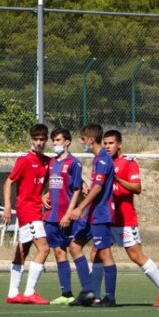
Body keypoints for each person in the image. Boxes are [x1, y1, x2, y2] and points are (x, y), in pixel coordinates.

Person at [96, 130, 159, 307]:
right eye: (105, 143)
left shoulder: (128, 163)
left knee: (136, 256)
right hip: (107, 218)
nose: (108, 146)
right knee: (97, 253)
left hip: (125, 220)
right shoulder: (104, 163)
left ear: (119, 144)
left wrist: (116, 179)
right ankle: (95, 295)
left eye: (111, 143)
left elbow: (137, 188)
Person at [66, 123, 115, 307]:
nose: (82, 143)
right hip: (91, 213)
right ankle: (88, 291)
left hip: (100, 214)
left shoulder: (103, 159)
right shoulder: (97, 160)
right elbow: (94, 187)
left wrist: (79, 208)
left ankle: (110, 297)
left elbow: (99, 188)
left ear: (91, 140)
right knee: (74, 246)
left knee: (104, 253)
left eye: (83, 140)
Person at [2, 123, 51, 305]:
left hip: (36, 209)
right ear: (31, 139)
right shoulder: (24, 161)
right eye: (36, 139)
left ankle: (13, 293)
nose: (39, 143)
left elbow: (49, 184)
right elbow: (8, 183)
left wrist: (45, 195)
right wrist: (7, 207)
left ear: (46, 140)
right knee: (44, 249)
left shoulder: (46, 161)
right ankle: (30, 292)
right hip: (27, 210)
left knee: (23, 251)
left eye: (42, 139)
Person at [43, 128, 83, 305]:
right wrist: (44, 195)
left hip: (67, 217)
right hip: (51, 216)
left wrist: (69, 213)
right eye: (53, 141)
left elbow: (77, 189)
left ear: (67, 142)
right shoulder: (51, 163)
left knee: (75, 251)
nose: (55, 144)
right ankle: (66, 293)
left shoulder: (74, 163)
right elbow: (49, 185)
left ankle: (88, 291)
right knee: (59, 252)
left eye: (58, 140)